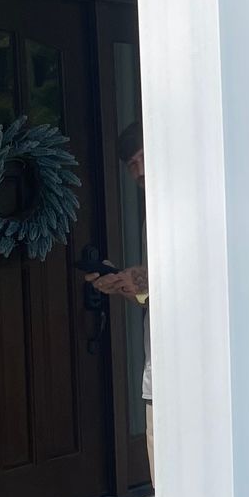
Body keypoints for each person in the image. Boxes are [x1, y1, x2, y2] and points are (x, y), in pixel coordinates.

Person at [87, 122, 151, 477]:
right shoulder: (149, 220)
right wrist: (123, 284)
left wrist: (139, 280)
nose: (139, 171)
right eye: (131, 164)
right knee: (165, 481)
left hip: (196, 372)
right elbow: (152, 299)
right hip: (158, 371)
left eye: (143, 158)